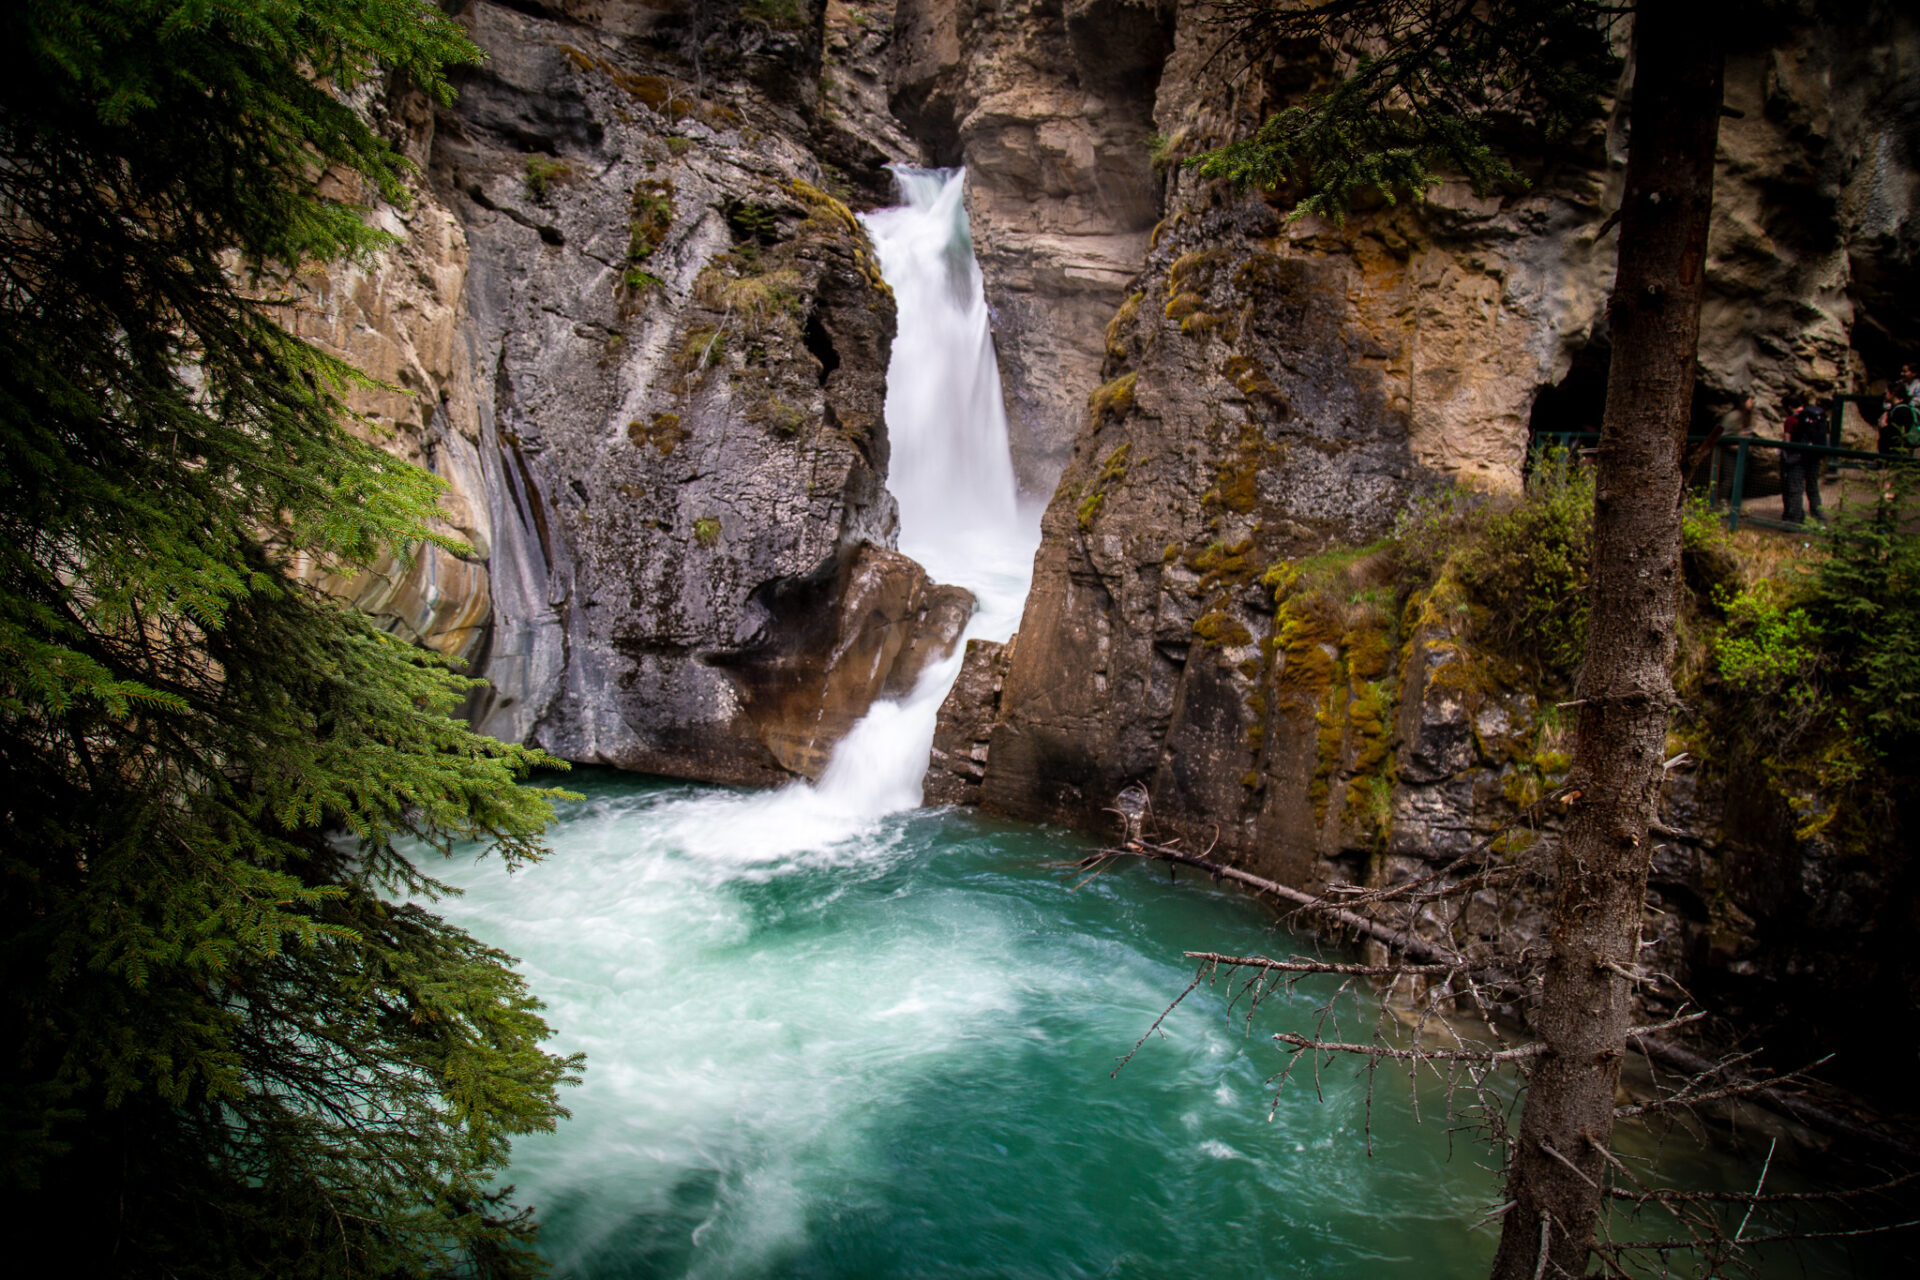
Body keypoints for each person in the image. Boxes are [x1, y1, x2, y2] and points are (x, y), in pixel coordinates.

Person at [1780, 391, 1827, 524]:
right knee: (1812, 487)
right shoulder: (1815, 416)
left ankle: (1794, 519)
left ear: (1789, 407)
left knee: (1795, 488)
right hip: (1813, 457)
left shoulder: (1791, 420)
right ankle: (1819, 516)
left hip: (1798, 458)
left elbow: (1787, 441)